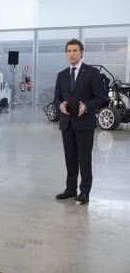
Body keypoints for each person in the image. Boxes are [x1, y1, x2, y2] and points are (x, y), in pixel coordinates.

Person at [53, 39, 106, 204]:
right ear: (66, 54)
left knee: (84, 159)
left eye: (75, 50)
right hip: (66, 123)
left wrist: (87, 107)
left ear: (82, 53)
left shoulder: (92, 73)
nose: (72, 54)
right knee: (70, 158)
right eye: (69, 51)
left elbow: (101, 98)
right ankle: (70, 189)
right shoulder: (62, 75)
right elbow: (56, 98)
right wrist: (59, 105)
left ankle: (84, 192)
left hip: (84, 124)